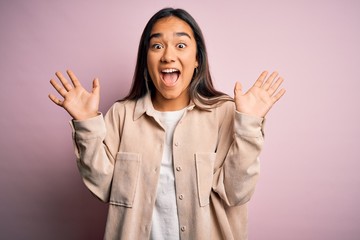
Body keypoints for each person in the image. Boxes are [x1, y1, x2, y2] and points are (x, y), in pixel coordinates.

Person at [48, 7, 285, 240]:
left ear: (196, 60)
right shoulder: (122, 114)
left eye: (181, 45)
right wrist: (86, 122)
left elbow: (236, 192)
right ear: (146, 60)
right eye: (157, 46)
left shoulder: (224, 113)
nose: (168, 56)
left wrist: (249, 125)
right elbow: (103, 187)